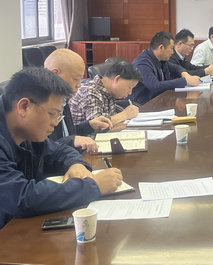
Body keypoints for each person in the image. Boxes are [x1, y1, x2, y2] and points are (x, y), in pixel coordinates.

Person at [0, 67, 123, 229]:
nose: (55, 123)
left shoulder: (26, 130)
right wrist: (95, 186)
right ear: (24, 107)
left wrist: (76, 164)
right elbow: (21, 198)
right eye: (52, 114)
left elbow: (59, 150)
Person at [45, 49, 112, 153]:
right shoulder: (40, 104)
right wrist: (71, 140)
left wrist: (89, 125)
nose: (79, 85)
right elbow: (42, 148)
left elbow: (67, 134)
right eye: (76, 79)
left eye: (81, 79)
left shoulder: (63, 98)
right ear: (55, 74)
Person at [130, 31, 201, 105]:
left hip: (157, 101)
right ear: (161, 47)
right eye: (171, 48)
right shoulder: (142, 63)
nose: (172, 52)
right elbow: (155, 86)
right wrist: (185, 81)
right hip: (141, 106)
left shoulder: (160, 59)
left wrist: (184, 73)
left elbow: (176, 68)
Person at [69, 60, 142, 126]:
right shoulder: (90, 92)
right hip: (83, 136)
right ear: (117, 79)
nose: (130, 92)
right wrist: (124, 115)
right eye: (129, 87)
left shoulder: (108, 91)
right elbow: (98, 126)